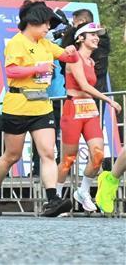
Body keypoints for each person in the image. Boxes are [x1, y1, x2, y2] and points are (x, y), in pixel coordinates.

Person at [0, 0, 80, 217]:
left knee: (48, 152)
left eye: (50, 24)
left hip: (41, 106)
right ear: (32, 22)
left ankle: (52, 199)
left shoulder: (46, 44)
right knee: (12, 155)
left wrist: (72, 51)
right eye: (45, 23)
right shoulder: (16, 43)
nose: (48, 27)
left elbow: (68, 56)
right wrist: (38, 68)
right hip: (18, 104)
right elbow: (11, 71)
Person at [57, 22, 120, 212]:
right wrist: (109, 100)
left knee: (98, 155)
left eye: (97, 35)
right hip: (73, 108)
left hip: (90, 109)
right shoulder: (74, 57)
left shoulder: (92, 62)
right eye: (92, 34)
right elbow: (84, 86)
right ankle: (56, 197)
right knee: (68, 159)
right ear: (80, 38)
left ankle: (83, 191)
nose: (96, 38)